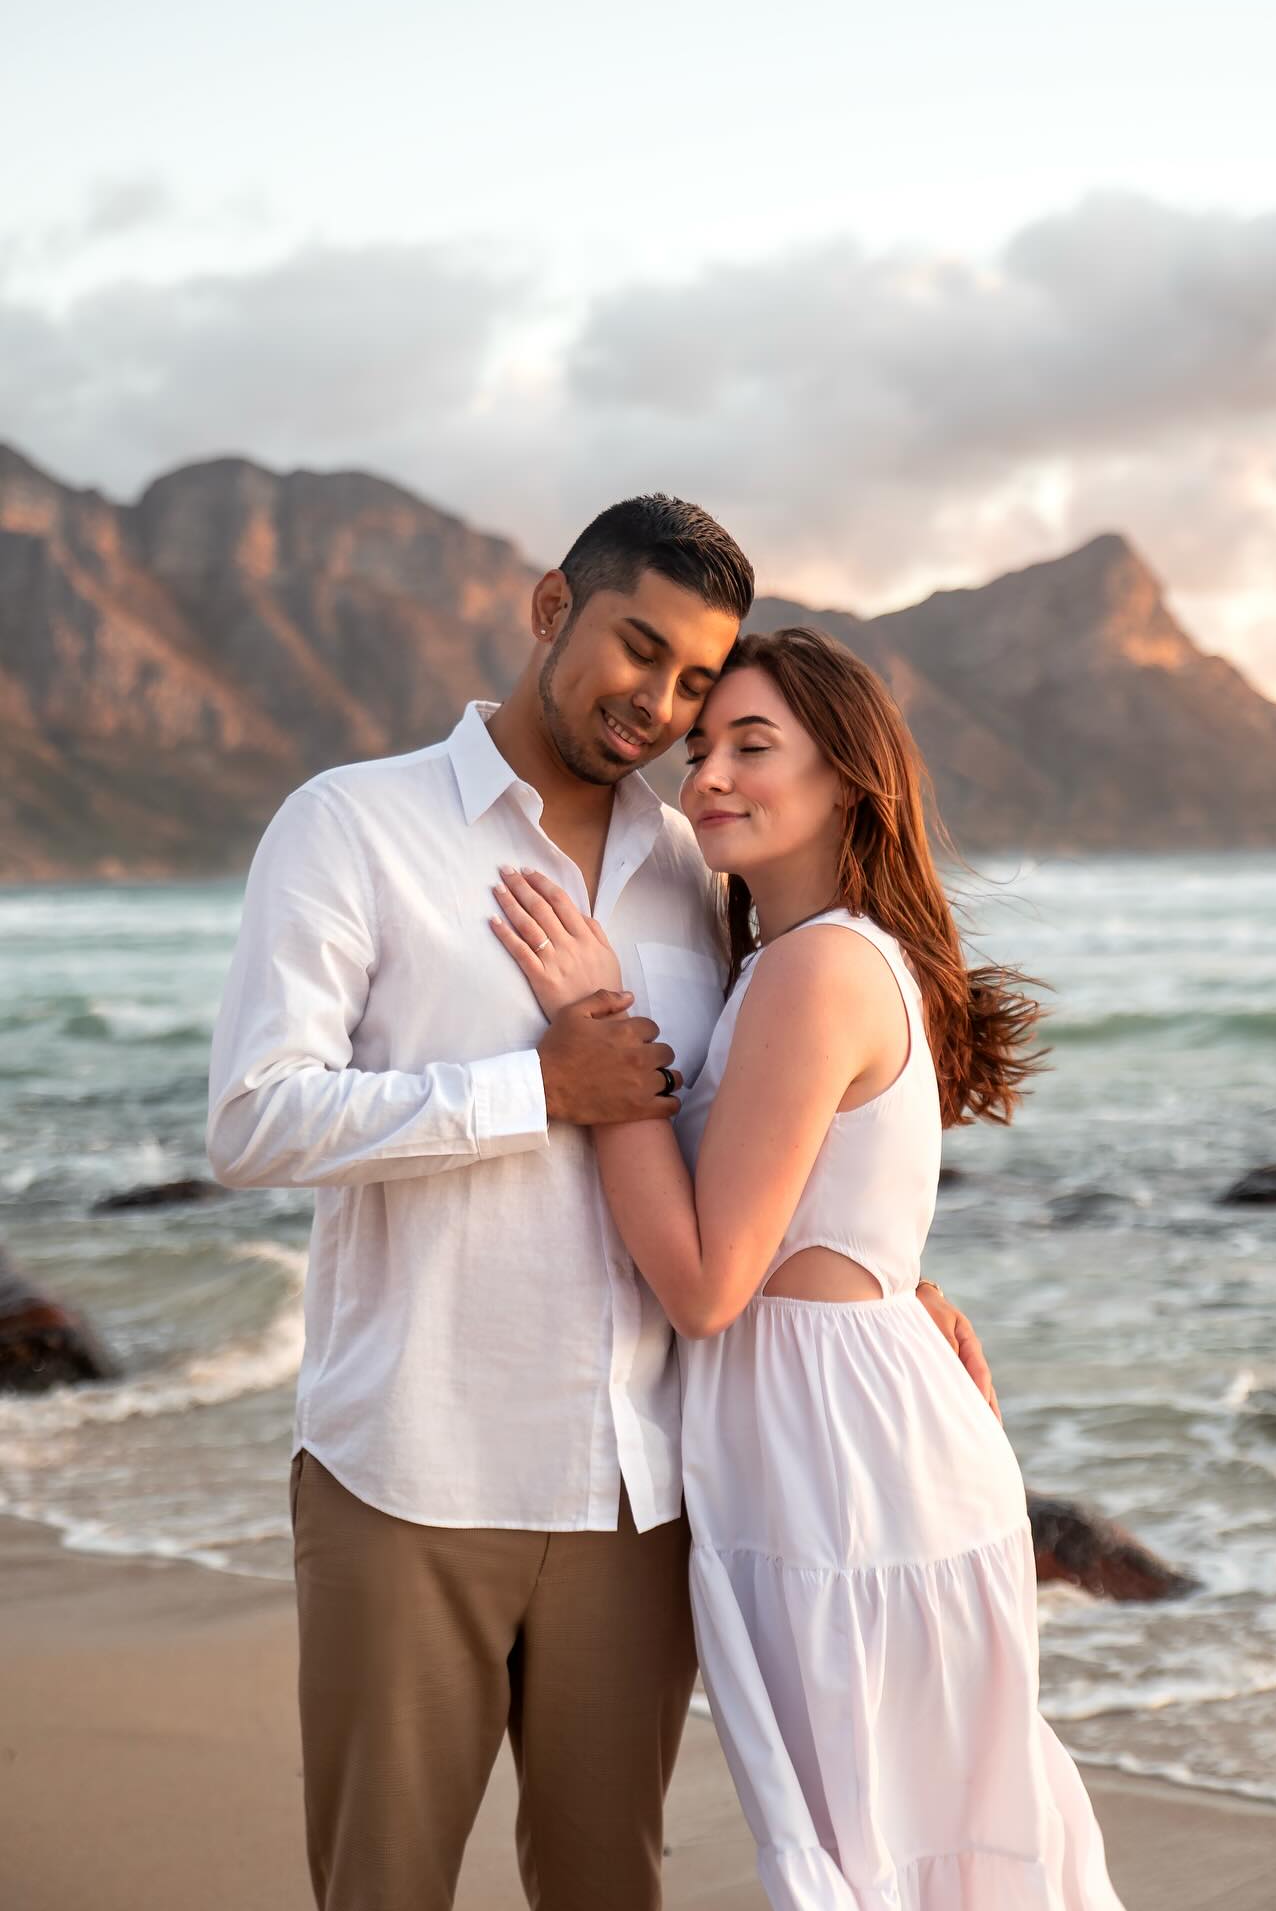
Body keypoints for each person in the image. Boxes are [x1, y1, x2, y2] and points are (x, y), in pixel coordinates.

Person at [206, 497, 993, 1911]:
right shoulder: (353, 824)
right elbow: (257, 1116)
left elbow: (774, 1109)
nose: (663, 703)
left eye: (700, 683)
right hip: (413, 1472)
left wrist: (880, 1273)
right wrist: (535, 1086)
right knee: (381, 1886)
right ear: (550, 607)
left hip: (646, 1489)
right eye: (642, 648)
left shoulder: (701, 863)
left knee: (606, 1886)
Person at [490, 626, 1127, 1910]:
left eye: (752, 745)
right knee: (919, 1840)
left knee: (885, 1856)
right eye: (701, 747)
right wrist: (910, 1290)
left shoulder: (815, 967)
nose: (708, 775)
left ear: (849, 778)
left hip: (841, 1465)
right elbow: (833, 1210)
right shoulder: (802, 962)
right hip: (837, 1436)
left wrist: (597, 1038)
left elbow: (711, 1284)